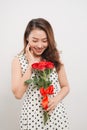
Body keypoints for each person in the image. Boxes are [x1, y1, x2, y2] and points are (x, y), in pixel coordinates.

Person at [11, 18, 70, 130]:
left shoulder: (54, 57)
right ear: (27, 38)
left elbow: (65, 86)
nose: (39, 45)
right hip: (32, 117)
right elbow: (18, 94)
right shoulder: (18, 61)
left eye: (44, 41)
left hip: (56, 114)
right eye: (35, 40)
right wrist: (31, 65)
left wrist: (56, 99)